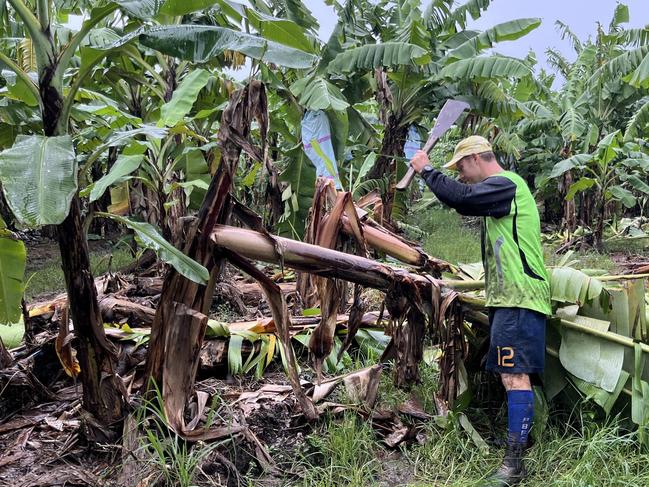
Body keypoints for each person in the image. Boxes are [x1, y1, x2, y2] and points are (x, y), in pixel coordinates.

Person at [410, 135, 551, 486]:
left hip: (520, 297)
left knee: (514, 376)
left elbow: (461, 199)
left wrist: (425, 169)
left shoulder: (506, 185)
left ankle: (514, 465)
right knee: (511, 374)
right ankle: (520, 445)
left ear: (475, 158)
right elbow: (465, 199)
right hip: (511, 298)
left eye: (461, 168)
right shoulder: (501, 194)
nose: (461, 176)